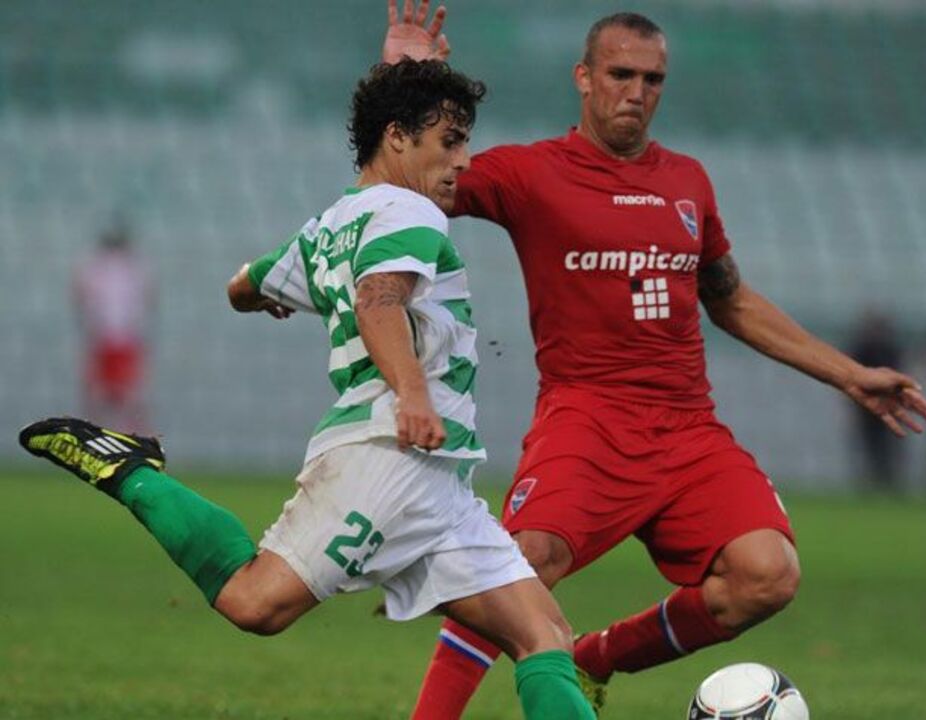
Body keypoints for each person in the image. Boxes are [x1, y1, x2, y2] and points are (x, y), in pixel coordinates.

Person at [379, 3, 926, 717]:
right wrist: (403, 74)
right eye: (619, 74)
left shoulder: (687, 182)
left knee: (767, 574)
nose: (635, 91)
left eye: (651, 78)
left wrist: (849, 374)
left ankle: (592, 659)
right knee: (515, 568)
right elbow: (405, 181)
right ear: (583, 77)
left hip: (684, 428)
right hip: (587, 416)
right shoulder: (530, 173)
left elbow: (727, 298)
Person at [19, 59, 596, 720]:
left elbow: (245, 284)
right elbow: (380, 300)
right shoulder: (410, 212)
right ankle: (130, 470)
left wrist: (261, 294)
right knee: (254, 602)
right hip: (386, 453)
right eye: (450, 140)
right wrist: (411, 393)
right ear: (398, 138)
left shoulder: (330, 225)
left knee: (542, 635)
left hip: (436, 481)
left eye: (465, 140)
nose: (464, 159)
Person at [73, 224, 154, 433]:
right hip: (121, 338)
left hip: (109, 338)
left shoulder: (95, 266)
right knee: (123, 397)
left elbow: (79, 294)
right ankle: (130, 439)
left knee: (104, 396)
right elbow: (149, 296)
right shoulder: (134, 267)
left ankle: (95, 438)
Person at [848, 310, 906, 492]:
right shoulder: (862, 347)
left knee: (889, 445)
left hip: (889, 405)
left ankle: (889, 482)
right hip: (866, 407)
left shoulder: (890, 348)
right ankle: (871, 481)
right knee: (870, 445)